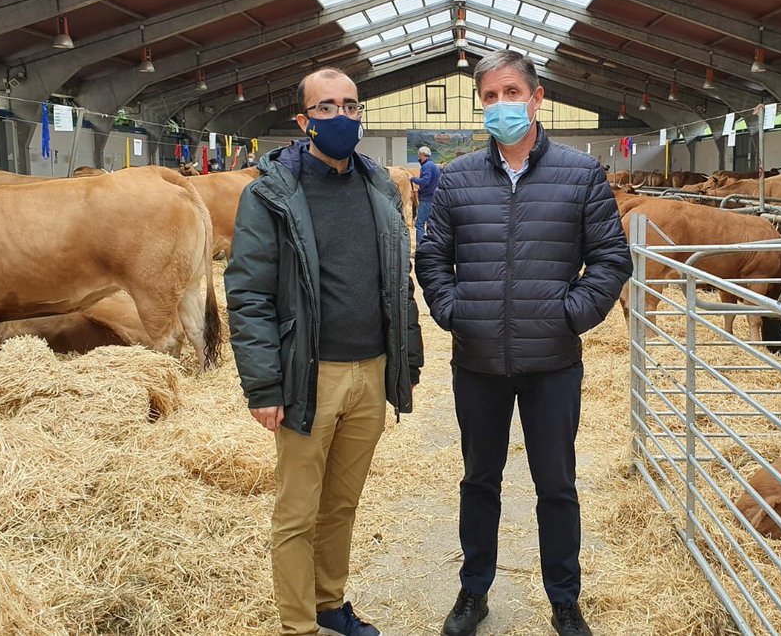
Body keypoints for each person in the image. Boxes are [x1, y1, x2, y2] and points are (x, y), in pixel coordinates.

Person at [415, 50, 632, 636]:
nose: (501, 104)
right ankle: (472, 593)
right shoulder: (458, 178)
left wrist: (572, 314)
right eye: (489, 96)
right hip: (479, 361)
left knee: (556, 485)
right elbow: (431, 257)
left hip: (553, 362)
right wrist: (453, 310)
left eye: (512, 93)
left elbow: (612, 258)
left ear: (537, 99)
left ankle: (564, 599)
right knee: (479, 480)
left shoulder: (579, 173)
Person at [225, 66, 423, 636]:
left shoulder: (380, 188)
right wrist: (264, 386)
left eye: (350, 106)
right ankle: (298, 624)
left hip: (371, 371)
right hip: (310, 375)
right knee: (297, 512)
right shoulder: (270, 195)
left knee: (341, 504)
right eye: (327, 107)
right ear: (304, 120)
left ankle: (330, 604)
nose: (341, 117)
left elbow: (396, 281)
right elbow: (248, 293)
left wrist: (405, 361)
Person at [410, 146, 440, 245]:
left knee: (419, 224)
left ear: (423, 155)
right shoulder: (434, 166)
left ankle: (420, 246)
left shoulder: (427, 166)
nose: (419, 158)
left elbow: (426, 181)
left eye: (419, 156)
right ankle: (429, 246)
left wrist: (413, 179)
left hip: (427, 200)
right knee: (431, 224)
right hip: (434, 199)